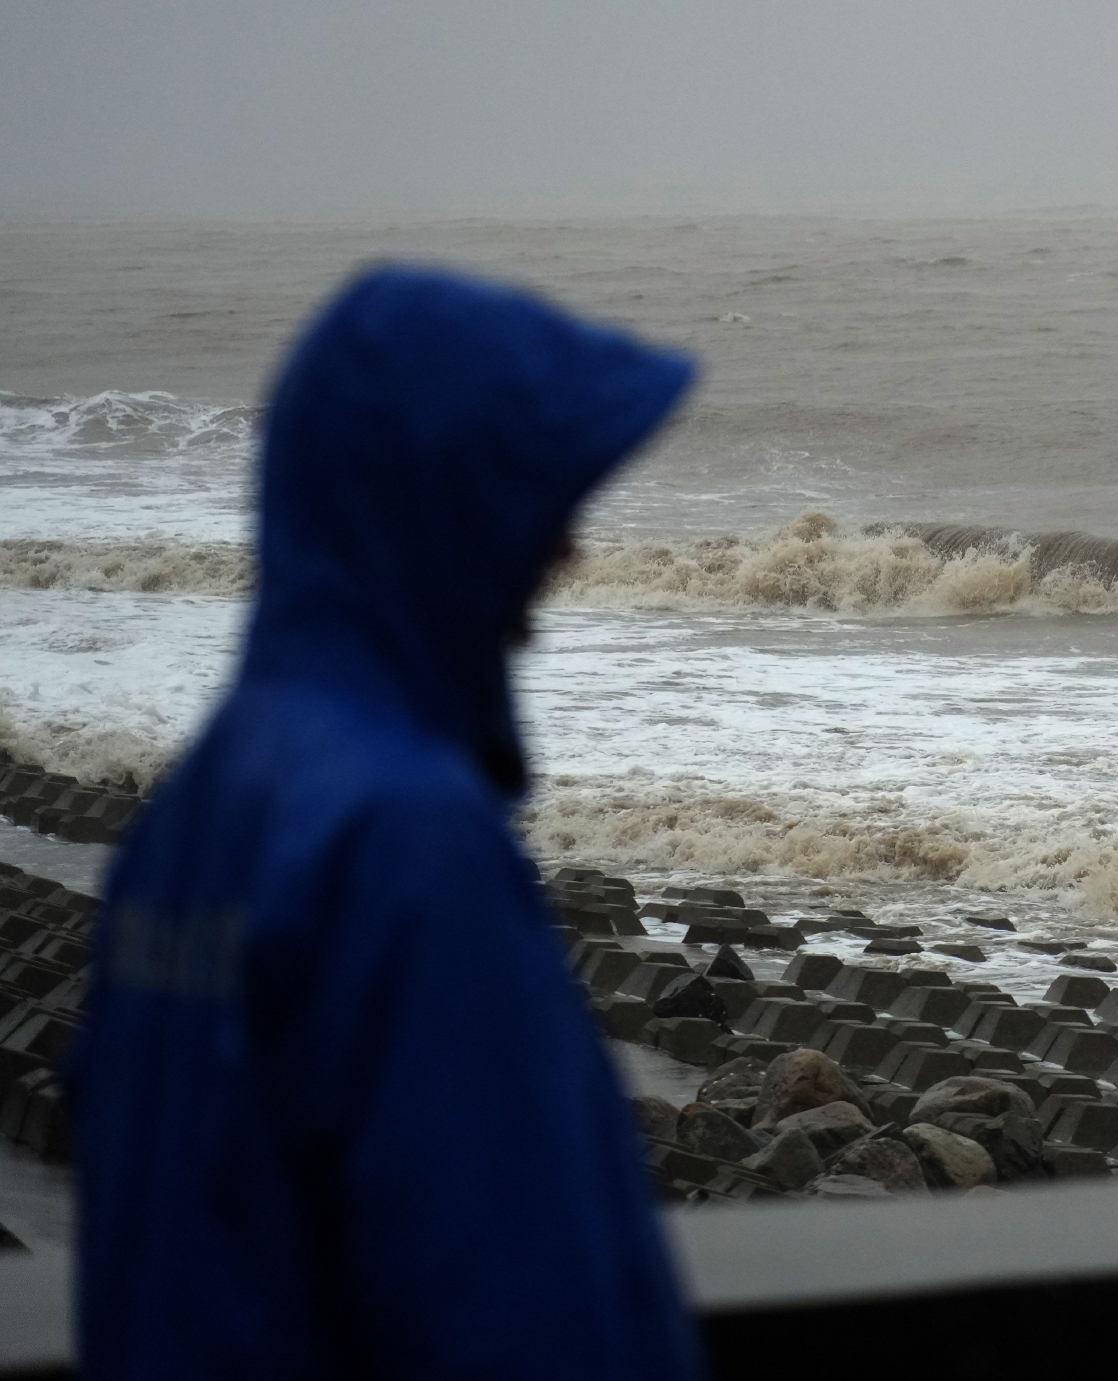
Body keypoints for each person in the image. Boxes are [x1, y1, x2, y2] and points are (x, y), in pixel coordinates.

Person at [68, 268, 702, 1378]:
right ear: (439, 504)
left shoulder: (197, 811)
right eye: (530, 498)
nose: (568, 551)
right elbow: (511, 1303)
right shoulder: (405, 842)